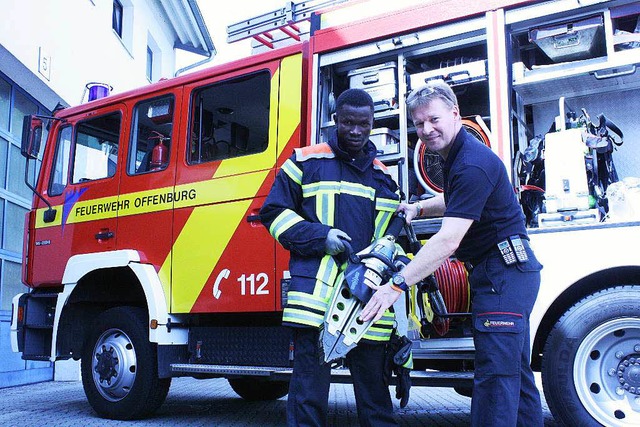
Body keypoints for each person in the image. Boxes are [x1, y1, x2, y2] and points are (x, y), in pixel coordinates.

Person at [360, 81, 544, 427]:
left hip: (502, 275)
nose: (427, 130)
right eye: (418, 124)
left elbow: (448, 242)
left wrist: (395, 286)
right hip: (507, 273)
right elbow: (457, 200)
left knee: (494, 382)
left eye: (433, 119)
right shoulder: (459, 155)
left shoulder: (471, 162)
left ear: (455, 113)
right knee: (515, 379)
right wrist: (418, 208)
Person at [260, 88, 401, 427]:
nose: (356, 131)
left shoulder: (382, 176)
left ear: (372, 123)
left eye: (363, 124)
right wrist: (321, 236)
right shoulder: (305, 161)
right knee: (308, 393)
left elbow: (392, 237)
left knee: (375, 397)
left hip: (367, 300)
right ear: (335, 120)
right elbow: (273, 213)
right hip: (316, 302)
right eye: (349, 122)